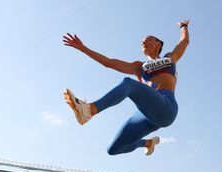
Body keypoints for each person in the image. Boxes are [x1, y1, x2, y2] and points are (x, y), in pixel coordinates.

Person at [62, 20, 189, 156]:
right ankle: (147, 143)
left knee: (129, 84)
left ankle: (90, 110)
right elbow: (109, 63)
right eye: (142, 43)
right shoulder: (139, 67)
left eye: (148, 40)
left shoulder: (170, 57)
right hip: (146, 114)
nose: (143, 43)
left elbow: (184, 42)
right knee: (113, 149)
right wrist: (83, 48)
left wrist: (183, 26)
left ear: (158, 44)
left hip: (166, 105)